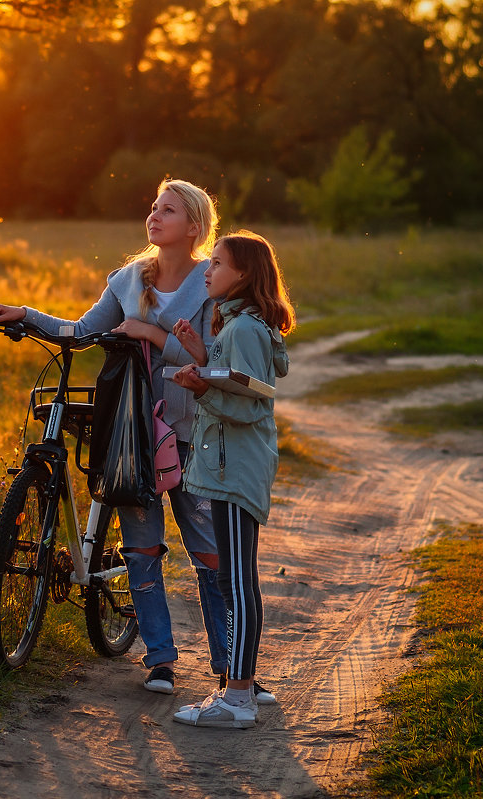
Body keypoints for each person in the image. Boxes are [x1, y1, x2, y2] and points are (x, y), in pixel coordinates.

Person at [0, 178, 232, 694]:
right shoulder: (127, 280)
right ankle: (160, 659)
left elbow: (213, 359)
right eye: (154, 207)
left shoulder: (214, 280)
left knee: (206, 548)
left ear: (194, 227)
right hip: (133, 434)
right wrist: (25, 314)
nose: (154, 216)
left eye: (168, 210)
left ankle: (229, 663)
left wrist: (150, 334)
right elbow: (81, 331)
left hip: (190, 431)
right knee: (141, 547)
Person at [169, 230, 294, 729]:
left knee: (237, 582)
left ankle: (237, 696)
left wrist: (200, 388)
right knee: (233, 577)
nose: (208, 270)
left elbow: (246, 405)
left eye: (217, 263)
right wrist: (203, 356)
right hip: (232, 466)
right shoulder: (242, 325)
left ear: (242, 273)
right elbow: (240, 380)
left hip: (235, 467)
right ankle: (238, 688)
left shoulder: (243, 330)